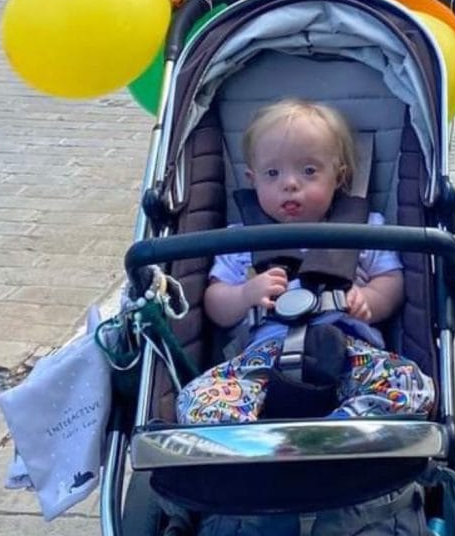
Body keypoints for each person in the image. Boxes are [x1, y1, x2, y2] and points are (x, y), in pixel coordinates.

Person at [175, 98, 435, 425]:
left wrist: (371, 299)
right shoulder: (239, 240)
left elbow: (393, 279)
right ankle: (250, 441)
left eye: (309, 171)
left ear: (338, 177)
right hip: (264, 356)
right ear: (251, 179)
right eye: (273, 173)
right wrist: (243, 295)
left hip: (350, 352)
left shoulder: (365, 228)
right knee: (197, 400)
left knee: (412, 386)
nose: (290, 183)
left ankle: (340, 431)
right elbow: (214, 301)